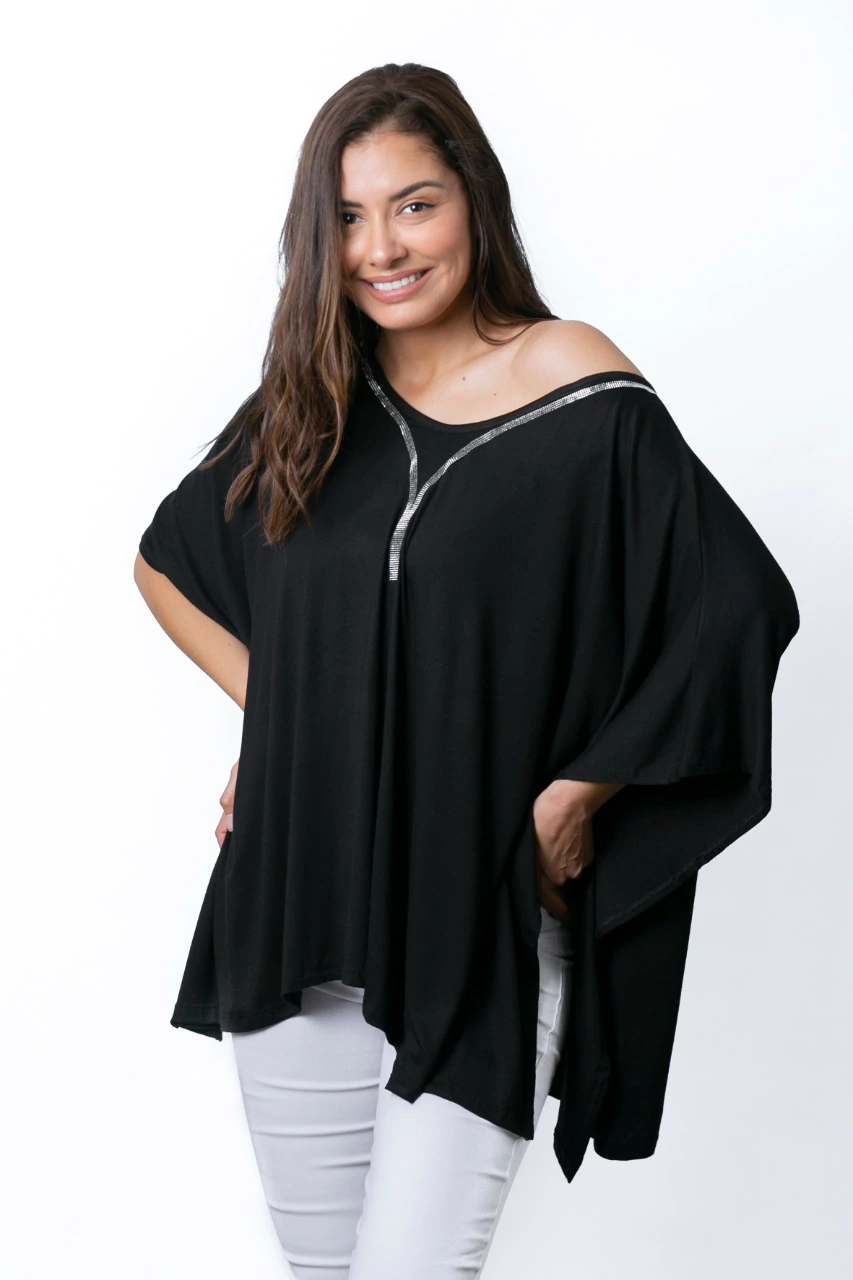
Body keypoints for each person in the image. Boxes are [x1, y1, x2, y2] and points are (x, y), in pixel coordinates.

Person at [134, 63, 800, 1279]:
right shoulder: (313, 399)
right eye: (347, 217)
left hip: (479, 917)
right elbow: (166, 562)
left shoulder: (575, 381)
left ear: (473, 200)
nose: (380, 248)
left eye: (414, 204)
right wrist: (286, 725)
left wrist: (577, 794)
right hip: (299, 901)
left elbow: (734, 603)